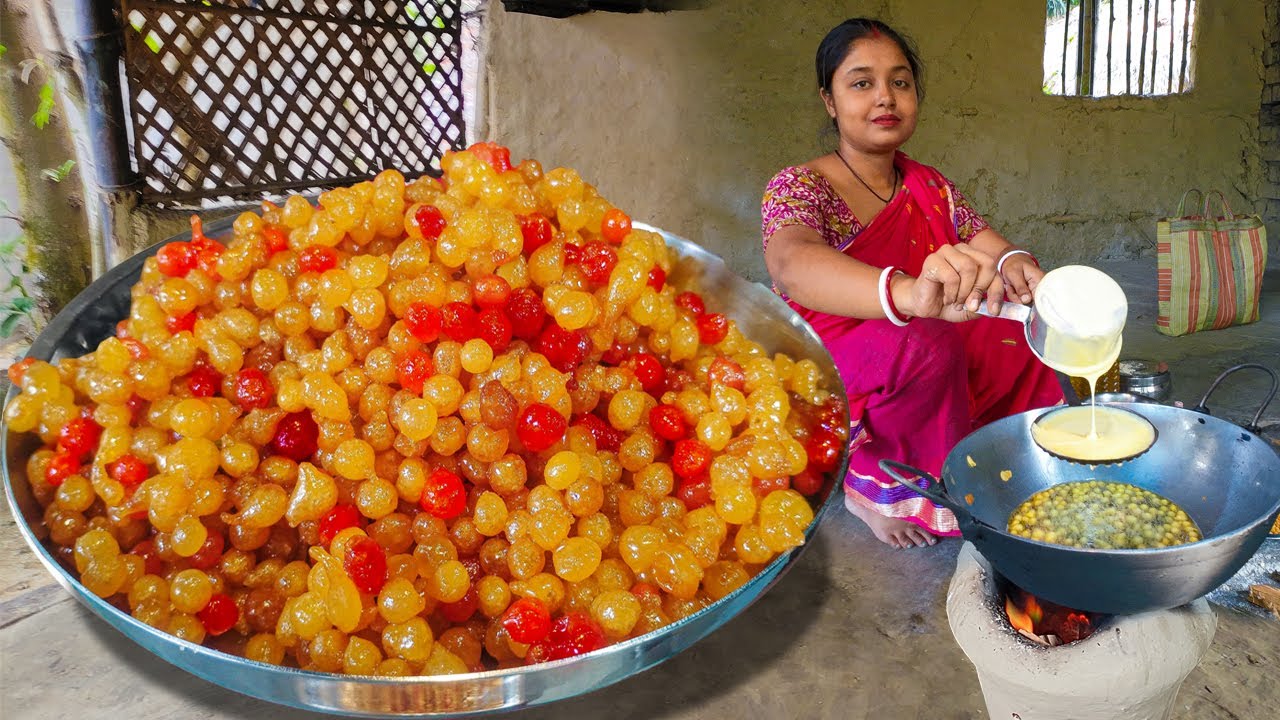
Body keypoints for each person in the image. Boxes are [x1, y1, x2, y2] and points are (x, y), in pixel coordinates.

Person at [761, 18, 1063, 549]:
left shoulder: (929, 183)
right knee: (926, 344)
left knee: (1022, 323)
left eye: (900, 82)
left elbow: (985, 241)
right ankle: (873, 488)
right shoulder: (802, 184)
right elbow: (790, 261)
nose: (886, 97)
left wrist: (1017, 264)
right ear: (829, 101)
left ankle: (991, 453)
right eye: (862, 83)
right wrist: (905, 294)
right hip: (833, 342)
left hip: (920, 320)